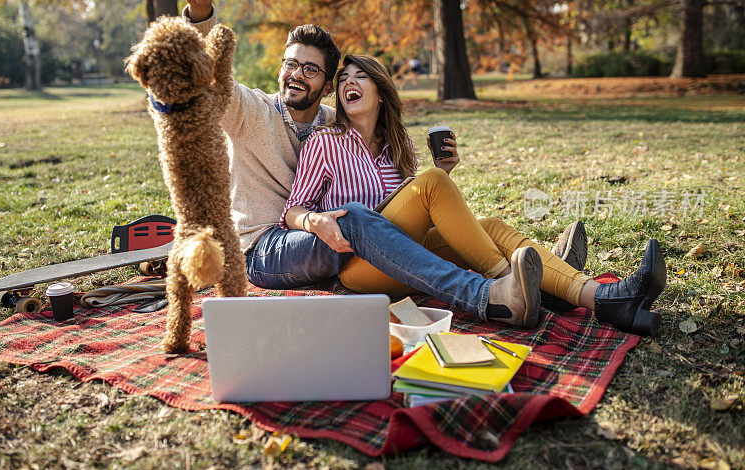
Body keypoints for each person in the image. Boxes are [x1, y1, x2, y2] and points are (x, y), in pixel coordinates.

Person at [177, 0, 544, 327]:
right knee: (350, 216)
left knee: (428, 231)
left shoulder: (332, 125)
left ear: (325, 86)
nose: (296, 74)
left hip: (325, 243)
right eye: (290, 64)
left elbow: (380, 190)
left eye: (310, 69)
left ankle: (543, 281)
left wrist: (437, 177)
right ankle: (486, 296)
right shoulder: (253, 112)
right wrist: (200, 15)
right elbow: (212, 78)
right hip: (263, 250)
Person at [280, 55, 667, 336]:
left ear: (381, 93)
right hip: (359, 268)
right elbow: (292, 209)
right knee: (431, 182)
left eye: (361, 76)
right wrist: (314, 220)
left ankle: (605, 299)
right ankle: (507, 284)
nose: (350, 81)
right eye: (344, 76)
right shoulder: (324, 142)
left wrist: (441, 176)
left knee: (492, 225)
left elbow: (408, 211)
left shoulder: (399, 150)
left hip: (402, 255)